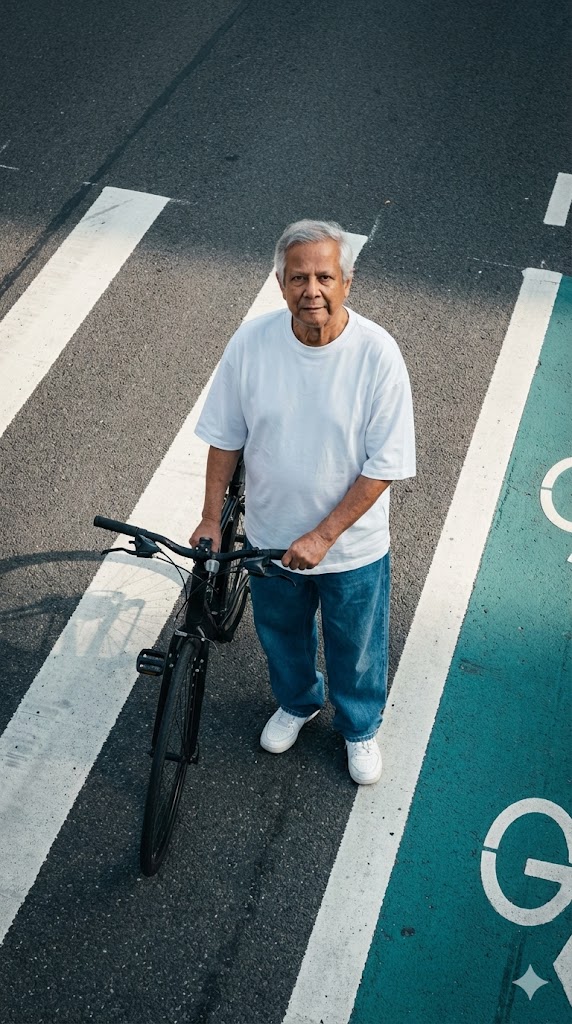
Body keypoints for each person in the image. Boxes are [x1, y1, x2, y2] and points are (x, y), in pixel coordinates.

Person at [190, 220, 415, 784]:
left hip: (351, 546)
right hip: (269, 536)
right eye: (298, 278)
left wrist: (322, 536)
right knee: (282, 635)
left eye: (323, 276)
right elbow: (226, 434)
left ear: (347, 282)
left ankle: (359, 728)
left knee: (355, 646)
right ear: (279, 283)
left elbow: (384, 465)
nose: (310, 289)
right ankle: (298, 702)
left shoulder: (378, 355)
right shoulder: (251, 343)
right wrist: (211, 517)